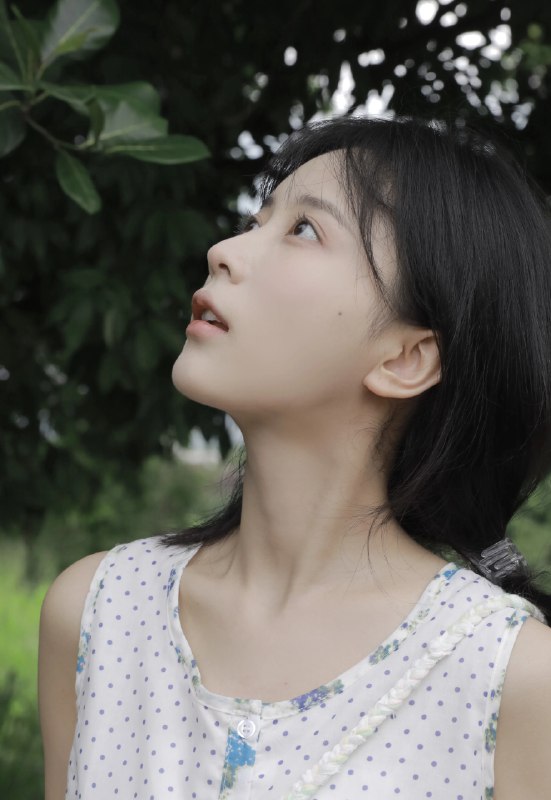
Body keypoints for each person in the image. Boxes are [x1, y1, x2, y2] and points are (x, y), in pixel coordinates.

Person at [39, 116, 551, 800]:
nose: (223, 250)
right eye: (255, 221)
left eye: (304, 229)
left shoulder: (510, 678)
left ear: (405, 359)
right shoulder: (97, 612)